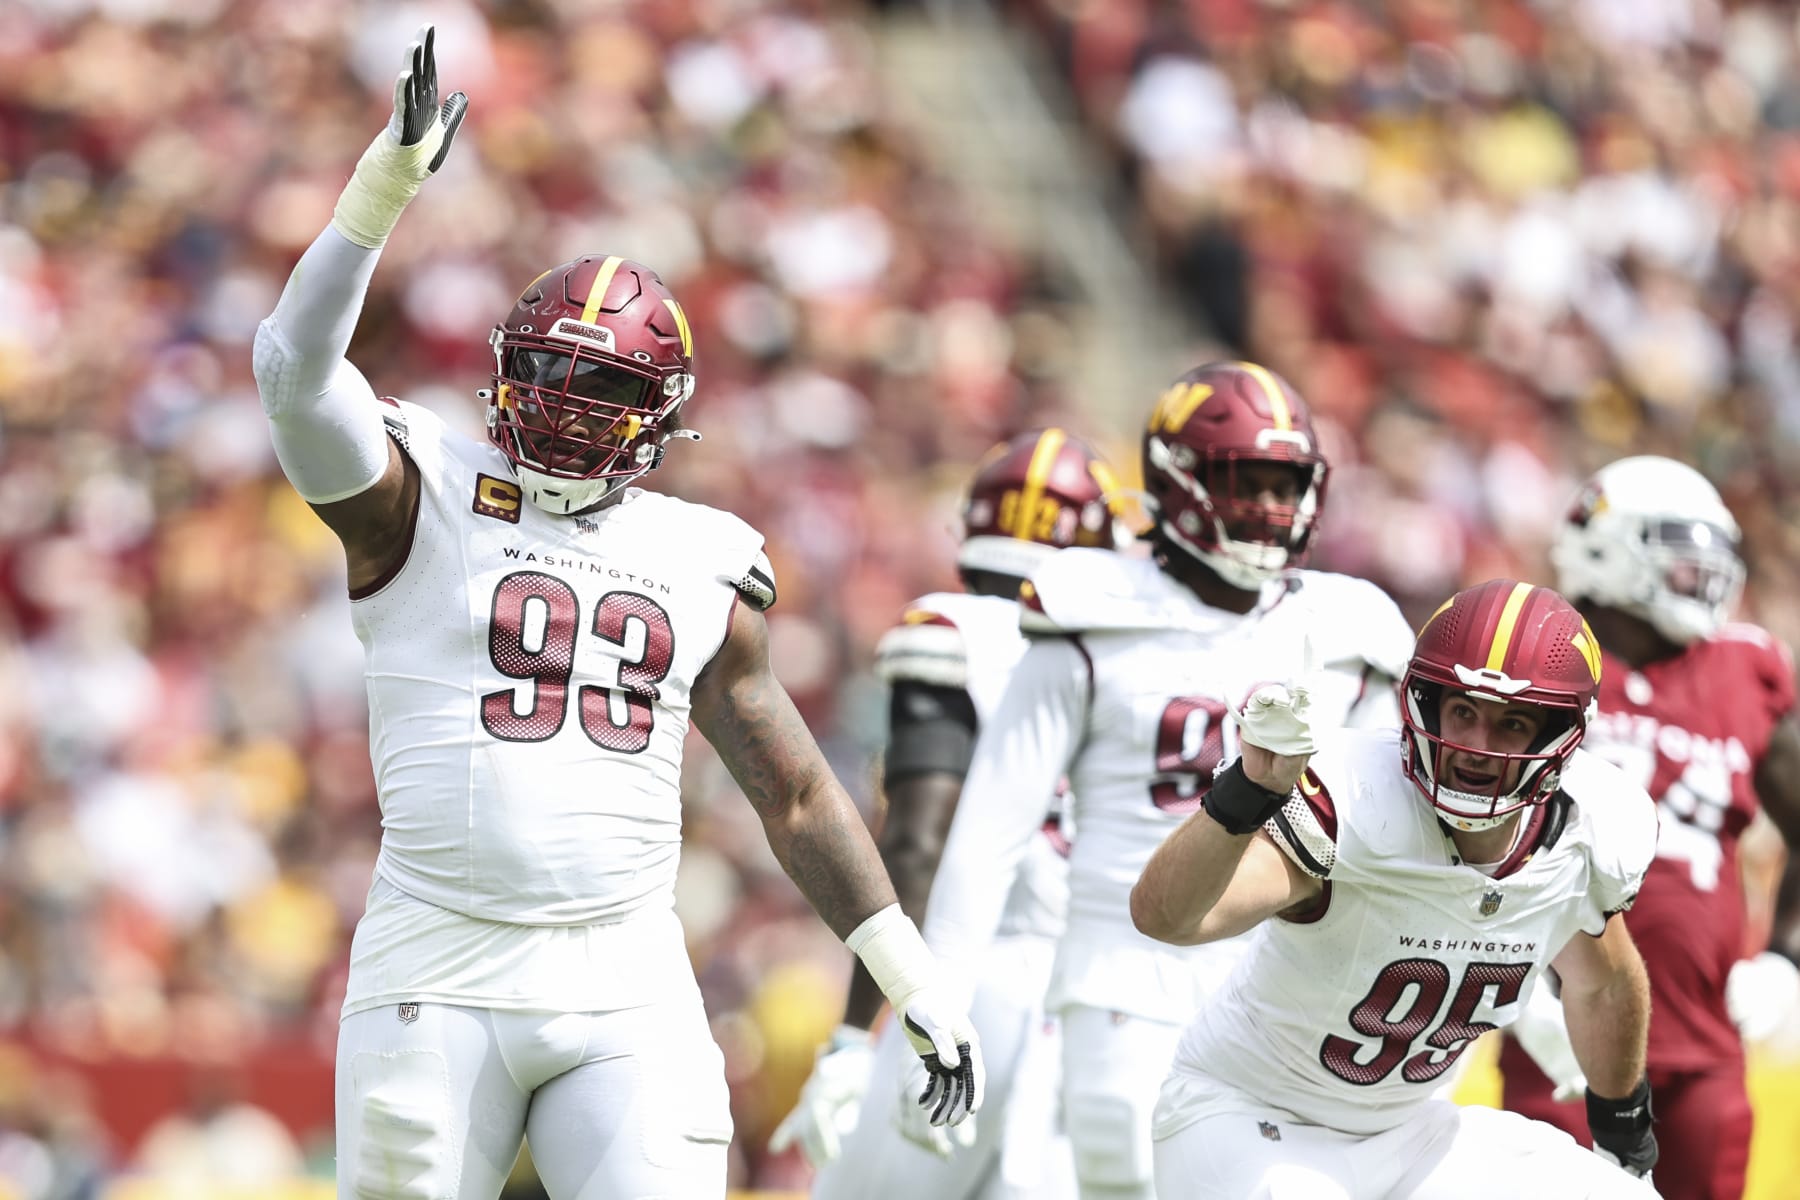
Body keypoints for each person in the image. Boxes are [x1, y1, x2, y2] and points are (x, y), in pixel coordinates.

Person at [249, 29, 983, 1199]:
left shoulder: (698, 555)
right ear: (501, 371)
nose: (564, 408)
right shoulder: (419, 495)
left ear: (662, 417)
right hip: (439, 960)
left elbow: (791, 791)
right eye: (545, 373)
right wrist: (381, 188)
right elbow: (291, 368)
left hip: (627, 975)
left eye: (602, 391)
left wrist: (910, 973)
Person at [912, 361, 1417, 1200]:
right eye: (1247, 482)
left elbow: (1392, 827)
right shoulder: (1093, 608)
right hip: (1125, 974)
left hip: (1287, 980)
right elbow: (990, 825)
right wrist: (938, 1003)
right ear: (1180, 483)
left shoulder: (1347, 624)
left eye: (1286, 485)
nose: (1271, 508)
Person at [1133, 579, 1662, 1198]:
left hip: (1408, 1133)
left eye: (1512, 723)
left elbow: (1603, 982)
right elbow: (1167, 919)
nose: (1476, 749)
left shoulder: (1584, 831)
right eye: (1463, 712)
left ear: (1561, 736)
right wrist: (1246, 792)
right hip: (1249, 1119)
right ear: (1424, 703)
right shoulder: (1356, 803)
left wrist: (1623, 1127)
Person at [775, 429, 1130, 1198]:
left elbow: (915, 846)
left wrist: (850, 1034)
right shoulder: (1122, 655)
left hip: (975, 982)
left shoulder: (958, 633)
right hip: (1097, 1001)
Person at [1496, 456, 1800, 1200]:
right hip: (1555, 1025)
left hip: (1702, 1038)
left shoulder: (1744, 667)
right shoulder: (1538, 659)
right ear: (1604, 547)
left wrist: (1791, 956)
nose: (1704, 577)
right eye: (1679, 553)